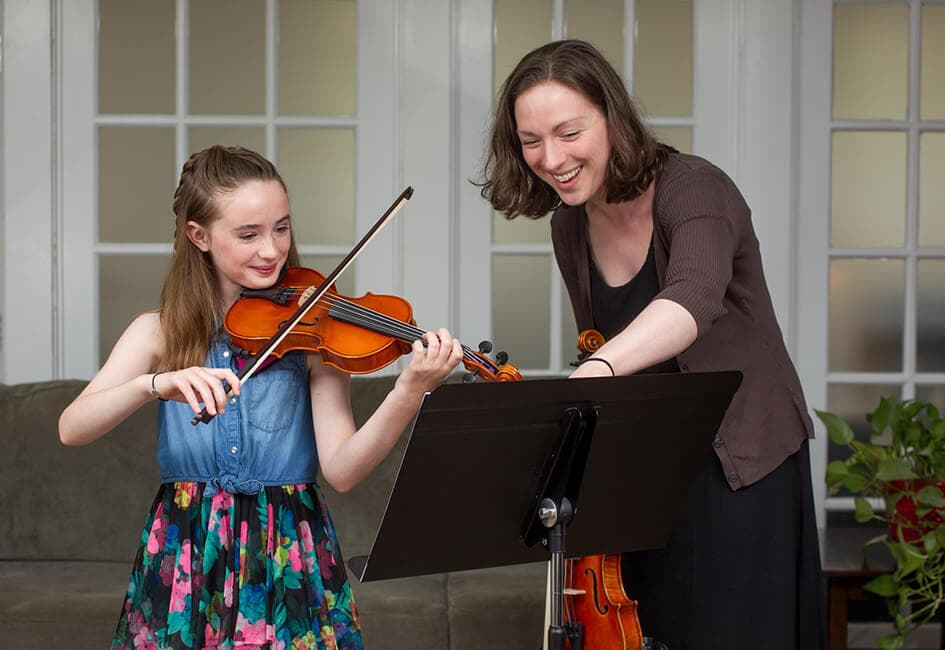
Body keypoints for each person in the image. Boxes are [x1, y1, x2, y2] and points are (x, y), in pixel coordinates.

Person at [478, 40, 826, 650]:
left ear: (612, 117)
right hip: (650, 470)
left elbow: (691, 300)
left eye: (568, 132)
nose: (551, 158)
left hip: (738, 463)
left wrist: (599, 368)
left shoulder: (696, 189)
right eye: (531, 140)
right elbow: (605, 338)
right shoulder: (569, 223)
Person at [59, 145, 464, 649]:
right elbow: (72, 427)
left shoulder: (315, 331)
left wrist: (410, 389)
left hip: (289, 549)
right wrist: (154, 384)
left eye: (281, 227)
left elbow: (342, 469)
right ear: (199, 236)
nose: (271, 250)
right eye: (248, 234)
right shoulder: (157, 333)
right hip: (187, 549)